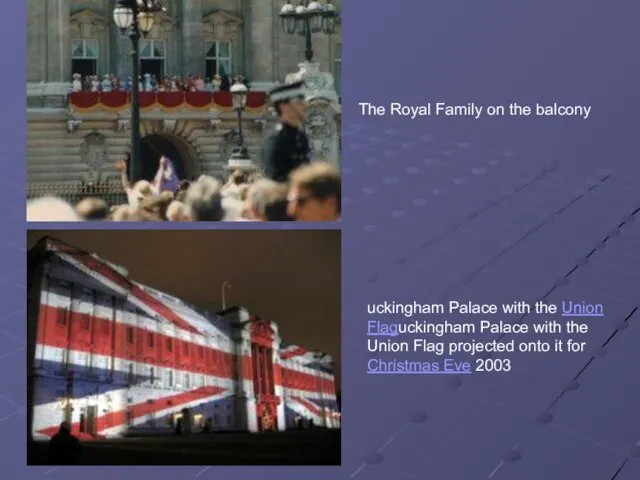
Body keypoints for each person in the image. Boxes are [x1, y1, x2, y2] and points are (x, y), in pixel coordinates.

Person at [261, 81, 311, 182]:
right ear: (284, 107)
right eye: (299, 102)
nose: (305, 105)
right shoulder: (275, 139)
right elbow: (275, 180)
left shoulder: (300, 135)